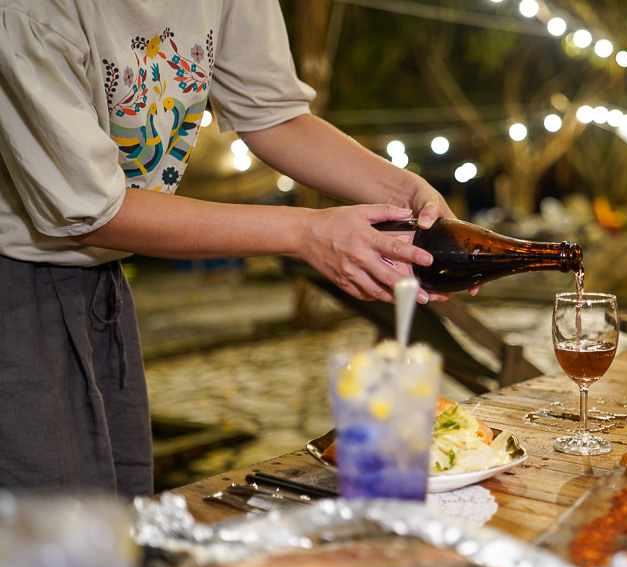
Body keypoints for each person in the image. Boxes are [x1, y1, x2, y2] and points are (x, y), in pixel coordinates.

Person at [0, 1, 456, 498]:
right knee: (49, 535)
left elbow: (273, 113)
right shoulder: (30, 11)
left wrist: (404, 191)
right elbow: (92, 211)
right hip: (15, 283)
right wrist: (306, 233)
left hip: (98, 281)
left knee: (120, 511)